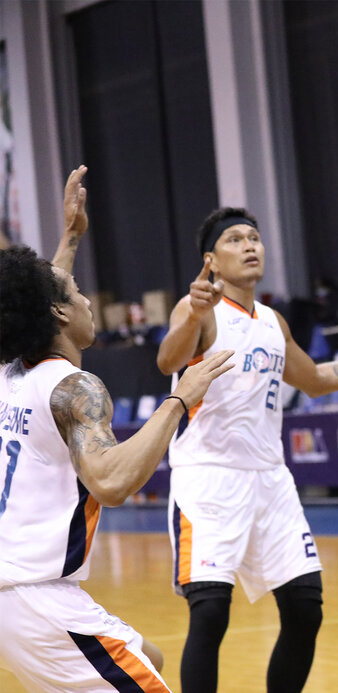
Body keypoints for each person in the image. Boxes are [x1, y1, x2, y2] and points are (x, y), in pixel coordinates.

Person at [155, 207, 338, 693]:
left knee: (304, 608)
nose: (250, 245)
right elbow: (167, 359)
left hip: (270, 480)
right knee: (210, 612)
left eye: (254, 237)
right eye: (235, 239)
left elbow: (315, 380)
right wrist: (192, 312)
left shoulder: (274, 321)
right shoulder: (200, 309)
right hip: (208, 478)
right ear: (210, 260)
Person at [0, 167, 234, 692]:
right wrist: (178, 400)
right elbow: (110, 483)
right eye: (79, 293)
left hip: (14, 598)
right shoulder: (73, 386)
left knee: (147, 653)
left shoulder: (11, 373)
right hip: (42, 602)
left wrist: (71, 237)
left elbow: (43, 296)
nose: (87, 301)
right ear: (59, 313)